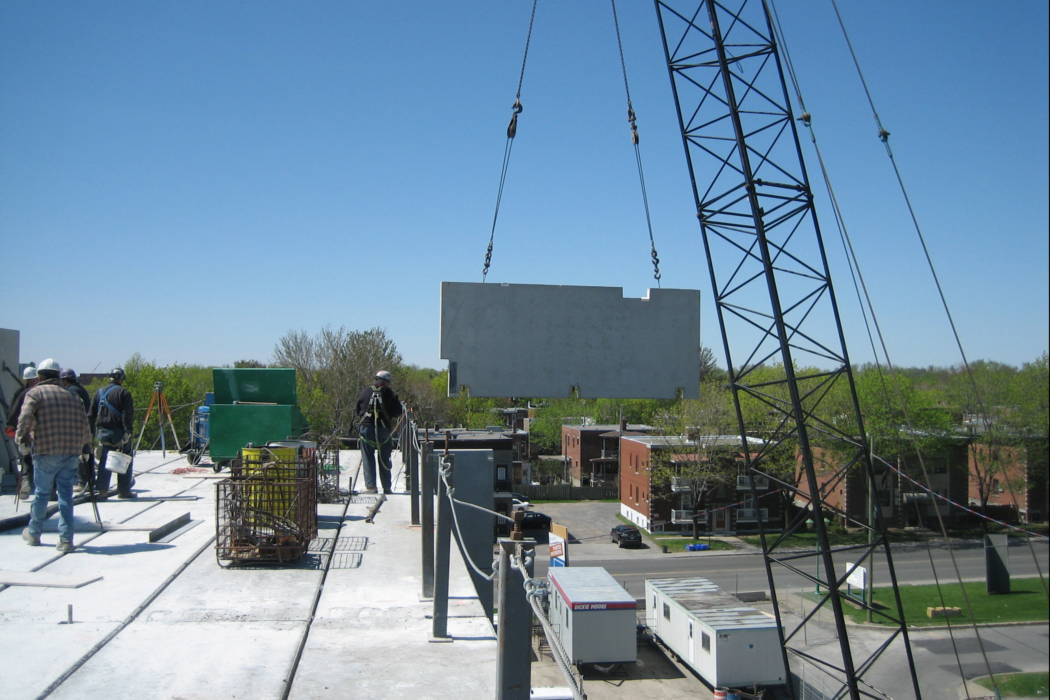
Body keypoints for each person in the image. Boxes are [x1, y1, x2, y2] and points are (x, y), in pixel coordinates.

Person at [16, 358, 91, 553]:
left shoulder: (36, 393)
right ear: (57, 376)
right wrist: (85, 448)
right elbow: (84, 425)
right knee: (66, 496)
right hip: (70, 452)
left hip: (45, 450)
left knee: (41, 493)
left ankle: (34, 533)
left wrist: (20, 439)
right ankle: (66, 540)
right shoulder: (73, 397)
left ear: (40, 376)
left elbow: (24, 419)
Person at [89, 367, 136, 499]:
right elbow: (127, 415)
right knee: (125, 460)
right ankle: (124, 491)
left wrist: (91, 435)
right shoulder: (124, 393)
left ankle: (102, 491)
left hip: (103, 433)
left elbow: (91, 415)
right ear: (121, 379)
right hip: (119, 433)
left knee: (104, 461)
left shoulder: (99, 393)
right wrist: (128, 432)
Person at [355, 370, 403, 494]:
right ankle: (386, 487)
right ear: (387, 382)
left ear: (376, 379)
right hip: (383, 429)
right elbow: (398, 411)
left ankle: (371, 487)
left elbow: (358, 409)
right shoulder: (390, 393)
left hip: (366, 428)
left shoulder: (366, 391)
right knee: (384, 458)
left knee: (368, 458)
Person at [5, 365, 39, 500]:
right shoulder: (37, 393)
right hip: (38, 434)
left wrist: (12, 428)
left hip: (25, 434)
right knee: (39, 462)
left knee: (26, 461)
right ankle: (45, 490)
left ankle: (25, 488)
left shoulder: (20, 393)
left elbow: (13, 413)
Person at [61, 368, 95, 492]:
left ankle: (83, 482)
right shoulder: (80, 389)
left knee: (82, 453)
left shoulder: (72, 391)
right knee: (87, 453)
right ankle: (90, 480)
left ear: (65, 380)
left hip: (79, 427)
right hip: (87, 425)